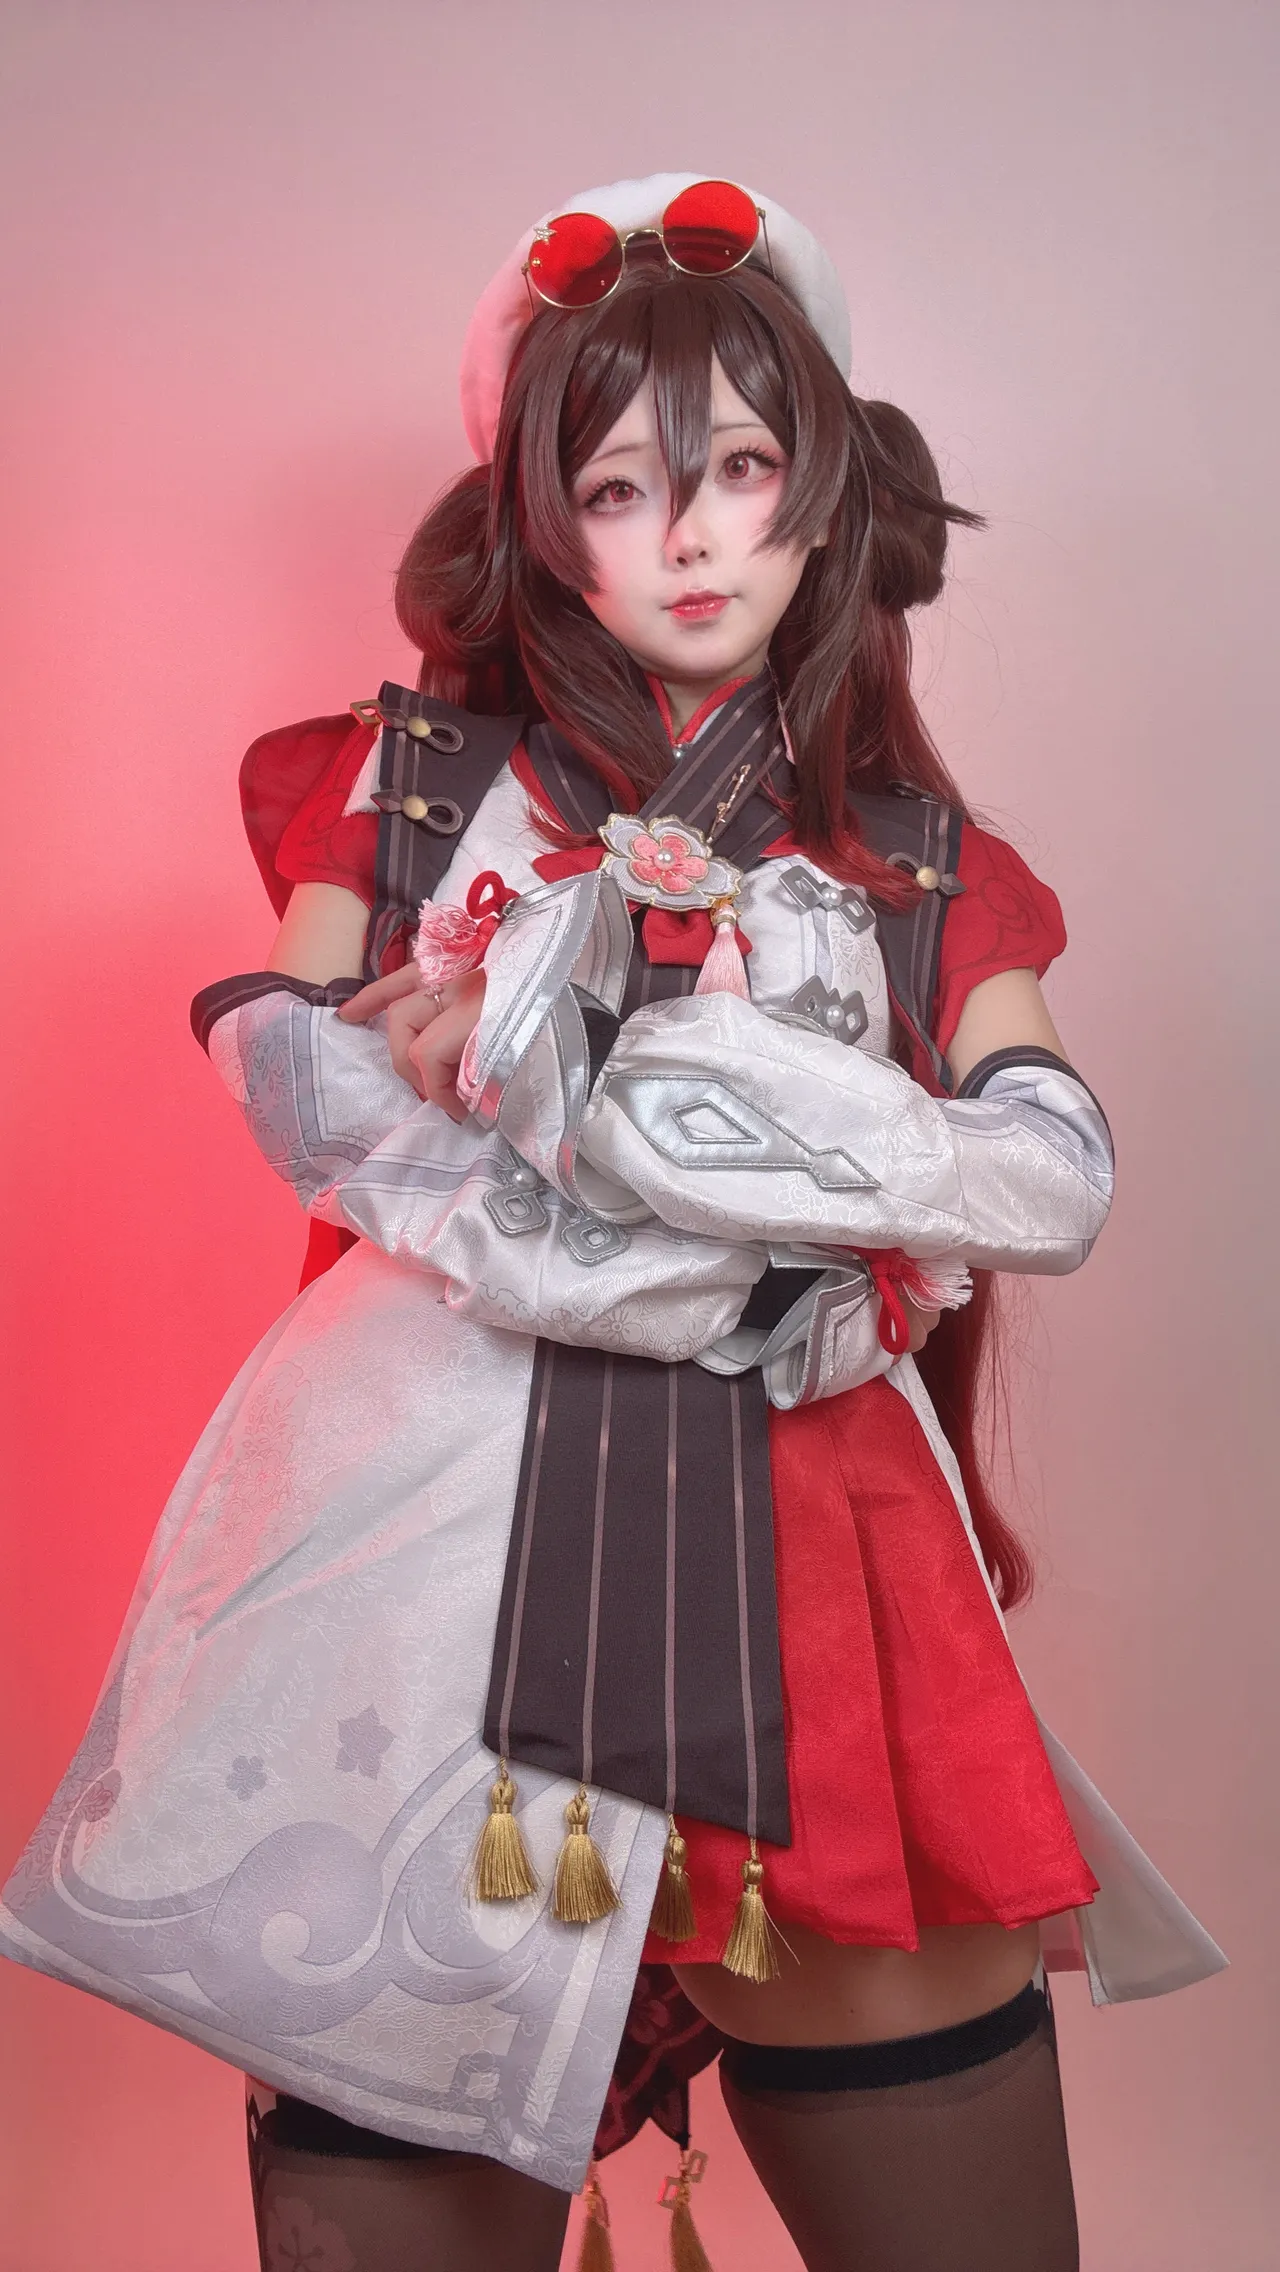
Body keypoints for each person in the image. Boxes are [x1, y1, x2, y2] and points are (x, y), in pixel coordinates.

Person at [0, 174, 1224, 2272]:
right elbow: (297, 1078)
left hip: (817, 1576)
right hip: (426, 1571)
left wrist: (634, 1106)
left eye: (741, 469)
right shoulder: (400, 789)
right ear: (542, 523)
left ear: (825, 496)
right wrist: (733, 1174)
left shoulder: (920, 862)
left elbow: (1051, 1171)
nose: (692, 537)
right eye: (621, 484)